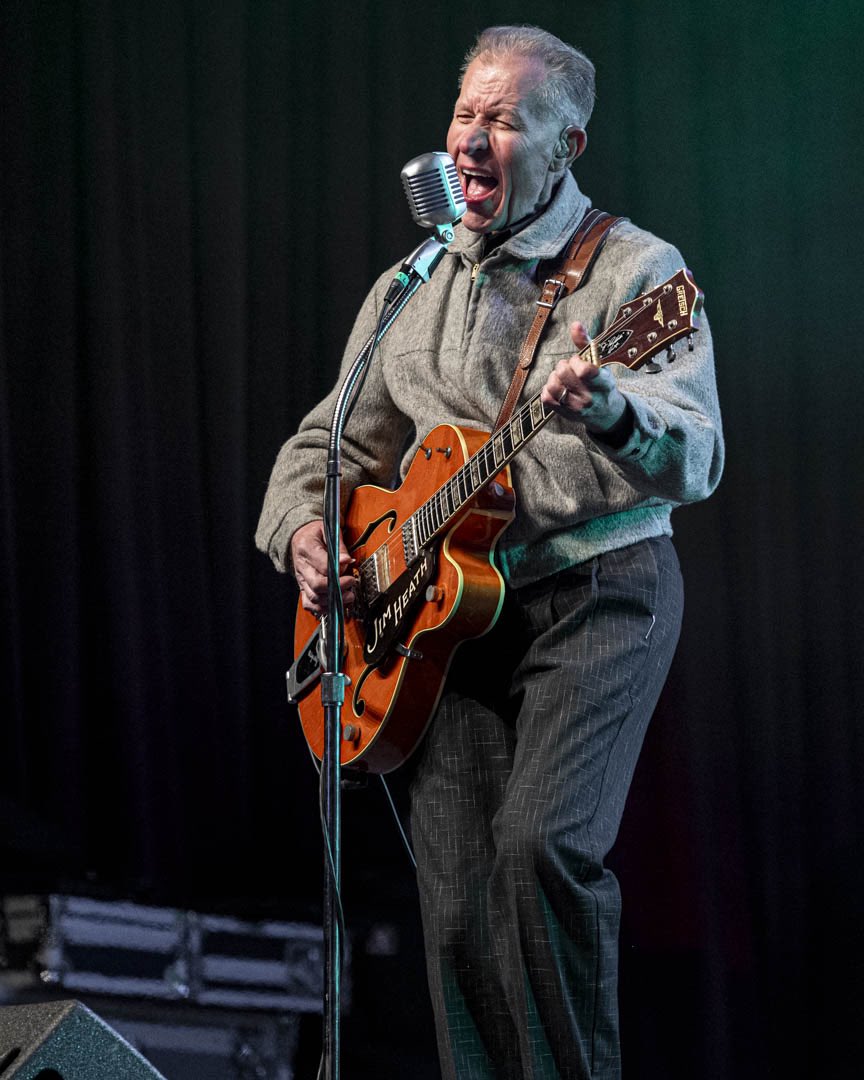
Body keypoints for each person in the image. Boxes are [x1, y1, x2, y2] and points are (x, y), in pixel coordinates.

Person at [256, 24, 723, 1080]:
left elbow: (697, 453)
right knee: (459, 903)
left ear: (566, 146)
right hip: (445, 623)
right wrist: (305, 530)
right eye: (466, 113)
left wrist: (610, 407)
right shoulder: (408, 287)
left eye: (504, 121)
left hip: (599, 592)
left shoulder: (638, 272)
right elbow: (324, 447)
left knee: (540, 853)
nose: (472, 138)